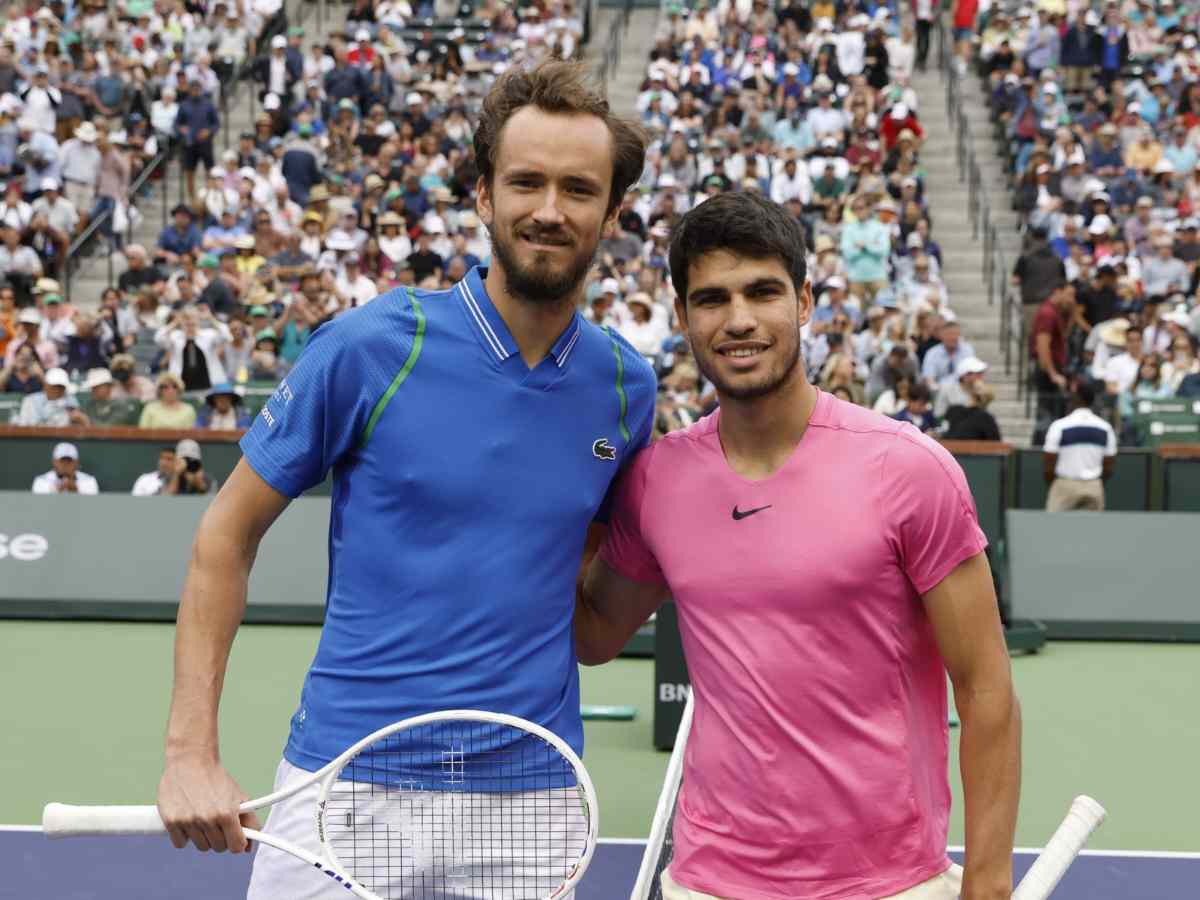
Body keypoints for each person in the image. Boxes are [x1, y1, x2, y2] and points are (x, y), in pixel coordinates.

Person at [155, 60, 655, 900]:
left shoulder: (625, 388)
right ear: (482, 196)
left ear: (613, 212)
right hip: (343, 789)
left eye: (578, 189)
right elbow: (224, 536)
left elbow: (588, 616)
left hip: (529, 805)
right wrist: (189, 754)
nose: (548, 210)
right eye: (525, 181)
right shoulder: (371, 346)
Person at [577, 193, 1019, 900]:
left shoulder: (910, 469)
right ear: (684, 318)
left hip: (888, 885)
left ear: (805, 301)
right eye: (712, 299)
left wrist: (990, 884)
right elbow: (594, 634)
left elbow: (987, 688)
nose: (740, 319)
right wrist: (557, 494)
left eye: (763, 292)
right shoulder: (656, 480)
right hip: (709, 882)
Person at [1042, 382, 1117, 512]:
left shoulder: (1059, 426)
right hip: (1094, 486)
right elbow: (1109, 465)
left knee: (1053, 529)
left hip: (1064, 484)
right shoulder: (1105, 428)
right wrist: (1095, 481)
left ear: (1075, 399)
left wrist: (1055, 483)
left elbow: (1049, 462)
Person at [14, 366, 87, 426]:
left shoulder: (70, 400)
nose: (58, 390)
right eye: (54, 386)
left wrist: (81, 419)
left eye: (61, 386)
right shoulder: (30, 401)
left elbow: (81, 424)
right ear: (46, 385)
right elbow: (30, 426)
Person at [32, 442, 100, 495]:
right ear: (54, 462)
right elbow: (38, 504)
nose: (65, 465)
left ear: (76, 463)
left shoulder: (89, 481)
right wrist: (57, 489)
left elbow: (93, 505)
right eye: (62, 461)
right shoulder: (41, 481)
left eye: (69, 461)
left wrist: (76, 489)